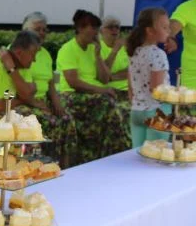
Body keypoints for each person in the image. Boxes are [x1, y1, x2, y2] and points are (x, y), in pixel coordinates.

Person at [56, 9, 130, 164]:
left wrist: (97, 56)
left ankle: (107, 153)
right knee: (110, 106)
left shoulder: (93, 48)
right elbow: (73, 82)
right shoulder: (68, 49)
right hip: (72, 95)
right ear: (81, 28)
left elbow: (104, 79)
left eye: (97, 28)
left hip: (95, 94)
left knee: (121, 108)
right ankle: (116, 153)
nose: (96, 32)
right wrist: (102, 90)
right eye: (93, 28)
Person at [12, 12, 78, 166]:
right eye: (37, 29)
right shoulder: (17, 52)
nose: (42, 33)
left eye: (44, 30)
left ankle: (65, 166)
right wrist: (38, 104)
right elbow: (22, 89)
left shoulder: (46, 54)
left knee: (66, 119)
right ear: (25, 30)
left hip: (40, 101)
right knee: (47, 121)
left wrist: (57, 103)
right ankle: (35, 165)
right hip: (21, 101)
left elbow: (50, 83)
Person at [126, 7, 172, 148]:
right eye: (164, 27)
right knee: (155, 157)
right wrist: (175, 94)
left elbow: (130, 88)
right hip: (157, 110)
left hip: (136, 111)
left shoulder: (134, 53)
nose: (168, 31)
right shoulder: (158, 54)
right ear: (150, 30)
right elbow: (156, 89)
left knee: (137, 156)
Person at [99, 15, 130, 98]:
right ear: (101, 30)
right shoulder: (97, 47)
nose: (114, 30)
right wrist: (114, 51)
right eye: (110, 27)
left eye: (117, 27)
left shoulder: (125, 47)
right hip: (109, 91)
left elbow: (132, 71)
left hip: (129, 89)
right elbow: (102, 76)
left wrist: (111, 77)